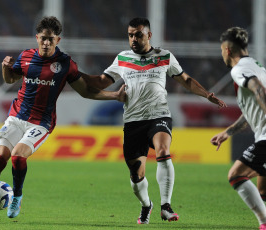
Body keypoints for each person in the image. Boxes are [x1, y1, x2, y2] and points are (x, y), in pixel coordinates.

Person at [0, 16, 126, 224]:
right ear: (37, 38)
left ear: (57, 40)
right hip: (16, 117)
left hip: (40, 123)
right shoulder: (25, 56)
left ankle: (17, 197)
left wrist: (114, 96)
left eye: (51, 39)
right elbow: (10, 79)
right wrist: (5, 67)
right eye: (43, 38)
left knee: (17, 157)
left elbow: (86, 91)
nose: (46, 43)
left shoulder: (65, 64)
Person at [81, 17, 226, 224]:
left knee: (163, 151)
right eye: (130, 35)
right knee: (136, 175)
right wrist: (74, 74)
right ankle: (146, 205)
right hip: (133, 121)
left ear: (149, 35)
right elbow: (100, 81)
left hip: (159, 115)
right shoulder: (122, 58)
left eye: (138, 34)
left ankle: (166, 206)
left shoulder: (164, 56)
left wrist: (206, 95)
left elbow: (185, 80)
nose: (133, 39)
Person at [210, 27, 266, 230]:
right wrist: (228, 132)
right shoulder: (257, 66)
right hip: (262, 136)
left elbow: (258, 89)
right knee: (262, 193)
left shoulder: (239, 69)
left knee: (236, 175)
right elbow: (251, 110)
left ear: (226, 50)